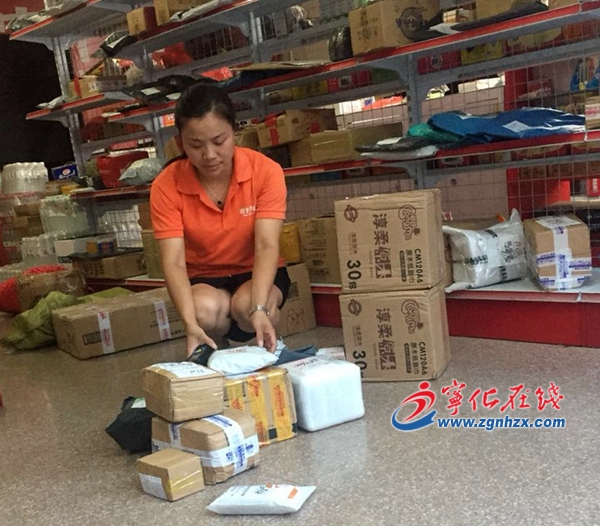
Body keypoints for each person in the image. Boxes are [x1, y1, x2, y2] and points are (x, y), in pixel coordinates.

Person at [150, 83, 290, 358]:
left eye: (219, 141)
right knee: (203, 310)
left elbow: (266, 245)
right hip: (204, 278)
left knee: (249, 306)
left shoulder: (265, 171)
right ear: (180, 142)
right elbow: (174, 262)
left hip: (256, 272)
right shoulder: (166, 185)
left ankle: (271, 345)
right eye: (195, 145)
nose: (209, 155)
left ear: (234, 131)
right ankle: (216, 353)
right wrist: (190, 325)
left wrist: (259, 309)